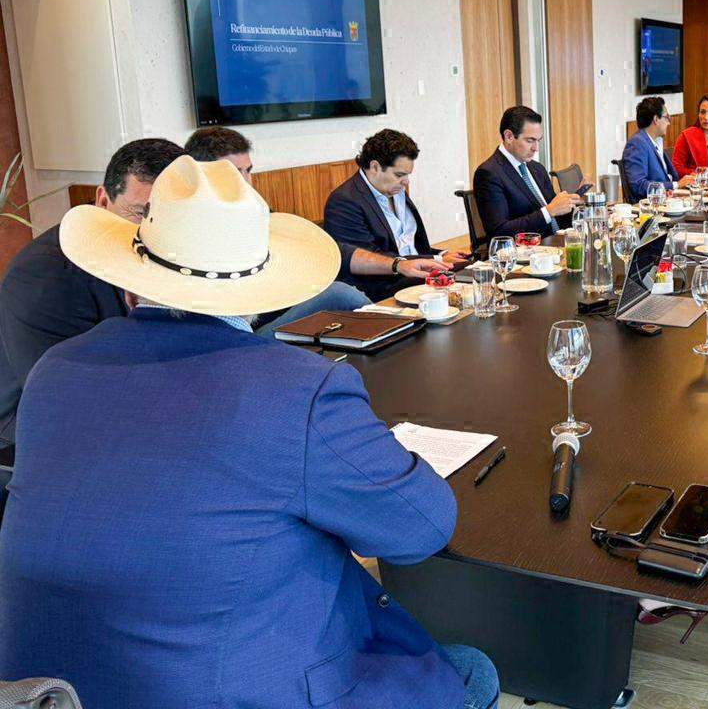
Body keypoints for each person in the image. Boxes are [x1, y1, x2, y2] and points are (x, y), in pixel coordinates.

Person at [0, 156, 498, 709]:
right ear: (261, 291)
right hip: (218, 691)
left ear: (130, 284)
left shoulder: (54, 371)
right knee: (469, 671)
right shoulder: (299, 389)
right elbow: (421, 529)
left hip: (42, 691)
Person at [0, 139, 182, 470]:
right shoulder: (46, 275)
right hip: (31, 429)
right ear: (102, 200)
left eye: (170, 217)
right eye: (140, 213)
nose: (153, 230)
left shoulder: (173, 252)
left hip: (130, 402)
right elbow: (63, 398)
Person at [185, 126, 377, 328]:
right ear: (202, 174)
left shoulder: (255, 210)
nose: (245, 182)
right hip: (244, 331)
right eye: (234, 172)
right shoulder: (194, 230)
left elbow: (305, 249)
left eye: (248, 171)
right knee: (341, 294)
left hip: (283, 306)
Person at [324, 129, 468, 301]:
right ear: (375, 167)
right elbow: (367, 258)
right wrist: (435, 259)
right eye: (400, 175)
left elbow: (410, 246)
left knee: (472, 271)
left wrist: (442, 254)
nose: (406, 181)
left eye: (407, 174)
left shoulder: (396, 191)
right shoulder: (345, 201)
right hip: (382, 288)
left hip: (413, 278)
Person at [474, 105, 582, 239]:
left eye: (538, 140)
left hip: (556, 243)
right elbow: (499, 231)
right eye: (530, 140)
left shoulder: (537, 168)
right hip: (528, 249)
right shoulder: (488, 173)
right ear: (509, 136)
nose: (536, 148)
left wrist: (576, 205)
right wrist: (548, 212)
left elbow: (556, 215)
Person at [621, 96, 689, 201]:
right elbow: (638, 185)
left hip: (667, 200)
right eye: (666, 117)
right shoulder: (636, 144)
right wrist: (675, 185)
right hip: (651, 206)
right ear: (656, 119)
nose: (669, 122)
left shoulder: (654, 141)